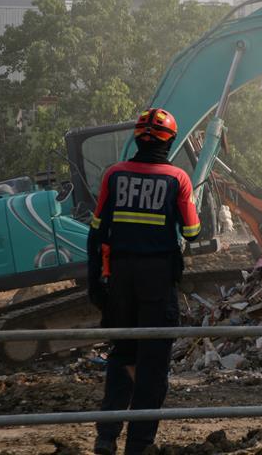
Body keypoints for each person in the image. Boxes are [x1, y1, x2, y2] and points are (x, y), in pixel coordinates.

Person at [88, 107, 201, 455]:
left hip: (119, 281)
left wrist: (96, 284)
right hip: (157, 281)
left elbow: (96, 234)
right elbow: (193, 232)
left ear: (137, 137)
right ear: (170, 142)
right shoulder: (177, 178)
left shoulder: (114, 174)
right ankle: (139, 445)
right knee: (153, 365)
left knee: (122, 356)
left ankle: (106, 436)